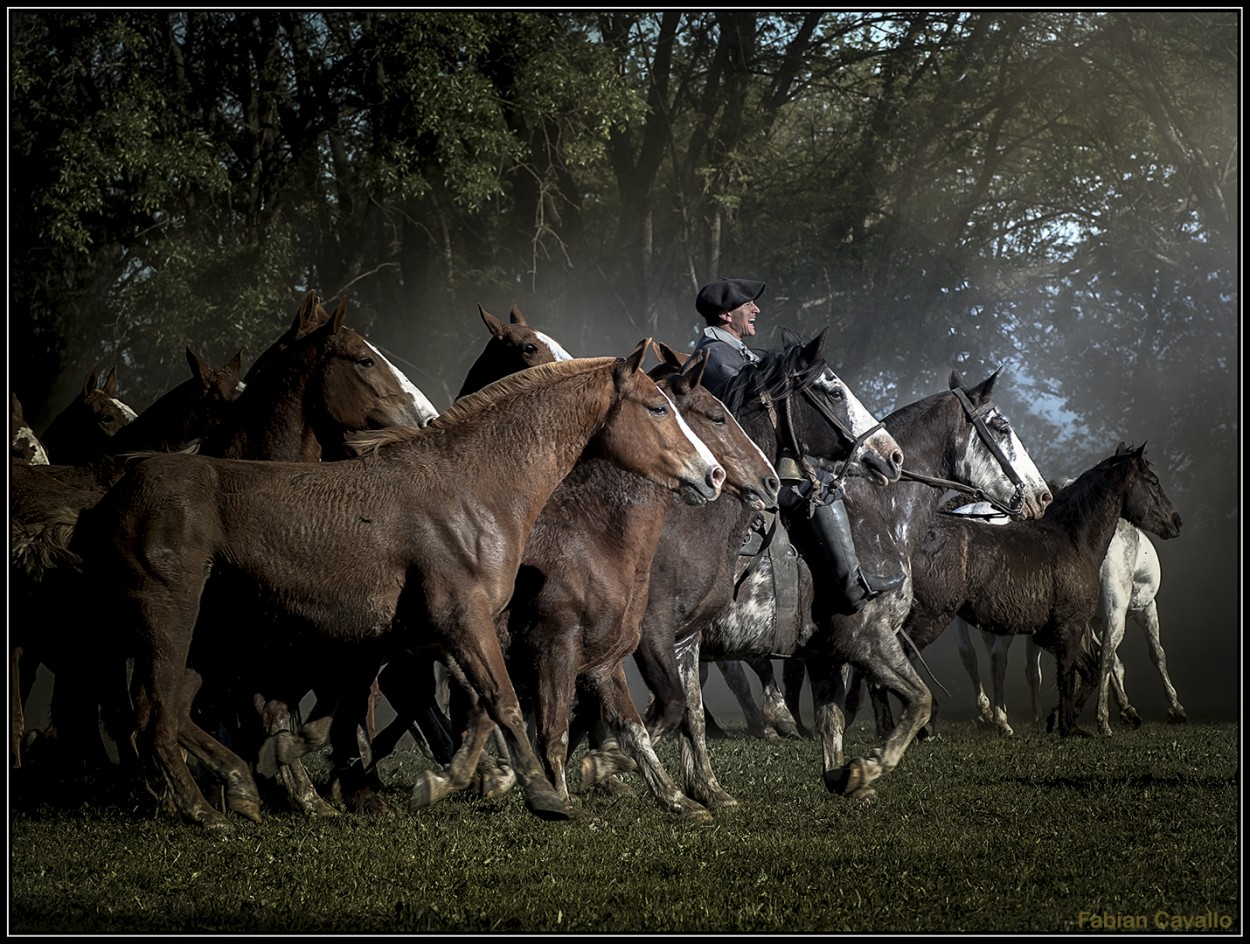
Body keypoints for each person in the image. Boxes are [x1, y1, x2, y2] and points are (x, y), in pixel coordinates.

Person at [692, 277, 904, 614]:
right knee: (819, 493)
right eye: (747, 305)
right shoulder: (715, 355)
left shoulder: (730, 351)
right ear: (725, 316)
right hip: (739, 472)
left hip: (756, 461)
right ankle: (851, 586)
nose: (755, 309)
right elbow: (751, 415)